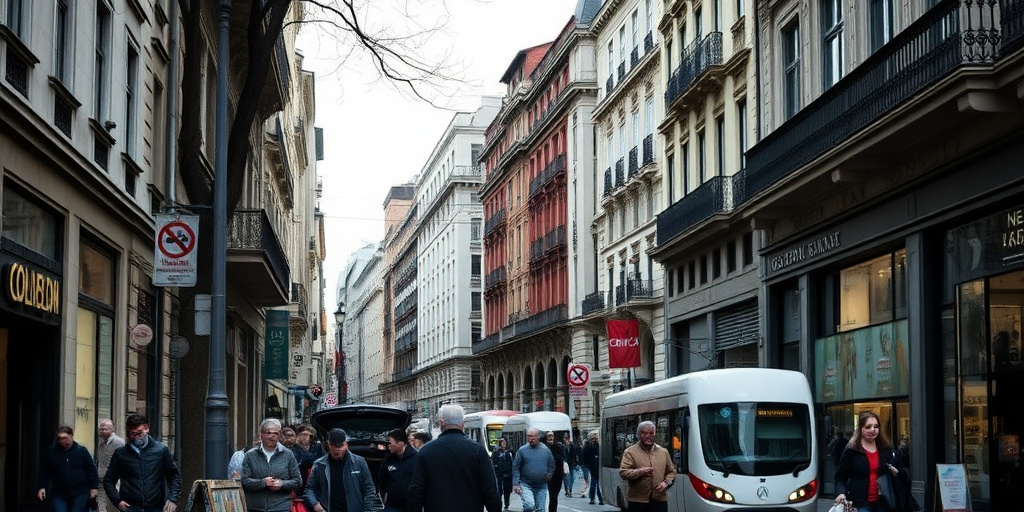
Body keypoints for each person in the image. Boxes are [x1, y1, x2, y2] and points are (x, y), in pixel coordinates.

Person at [407, 403, 501, 512]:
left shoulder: (426, 451)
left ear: (441, 424)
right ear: (463, 424)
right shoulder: (478, 450)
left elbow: (416, 490)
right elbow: (490, 490)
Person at [103, 414, 182, 512]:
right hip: (130, 507)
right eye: (133, 433)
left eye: (139, 433)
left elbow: (174, 476)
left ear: (147, 429)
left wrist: (173, 499)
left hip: (155, 507)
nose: (136, 437)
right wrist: (117, 501)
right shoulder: (121, 454)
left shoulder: (161, 450)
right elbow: (108, 481)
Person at [834, 411, 908, 512]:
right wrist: (841, 493)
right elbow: (840, 477)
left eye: (876, 426)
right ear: (861, 429)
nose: (873, 430)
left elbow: (902, 471)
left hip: (883, 501)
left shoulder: (885, 449)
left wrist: (898, 473)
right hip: (859, 503)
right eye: (868, 427)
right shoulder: (852, 450)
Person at [304, 428, 376, 512]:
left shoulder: (359, 462)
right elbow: (310, 489)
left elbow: (369, 488)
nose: (337, 449)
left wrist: (367, 510)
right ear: (329, 444)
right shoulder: (319, 465)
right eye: (334, 445)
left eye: (340, 445)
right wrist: (315, 504)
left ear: (346, 444)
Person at [241, 418, 303, 512]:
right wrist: (263, 482)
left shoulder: (288, 455)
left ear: (279, 436)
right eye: (268, 433)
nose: (272, 436)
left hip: (280, 507)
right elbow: (244, 481)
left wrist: (282, 484)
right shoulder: (250, 455)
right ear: (261, 434)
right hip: (255, 507)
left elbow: (298, 481)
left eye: (275, 433)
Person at [37, 426, 99, 512]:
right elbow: (46, 470)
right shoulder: (53, 452)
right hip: (59, 493)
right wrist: (42, 487)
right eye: (60, 438)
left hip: (80, 493)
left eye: (65, 438)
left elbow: (91, 469)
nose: (62, 441)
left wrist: (94, 487)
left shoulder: (81, 451)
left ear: (71, 436)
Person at [619, 421, 676, 512]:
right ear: (639, 434)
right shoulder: (630, 452)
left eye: (651, 433)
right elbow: (623, 473)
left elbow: (671, 471)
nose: (648, 436)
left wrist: (666, 482)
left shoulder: (663, 452)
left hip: (659, 500)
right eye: (644, 433)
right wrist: (639, 472)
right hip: (637, 501)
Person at [512, 428, 554, 512]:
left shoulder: (546, 450)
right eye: (529, 437)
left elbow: (551, 465)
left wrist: (550, 474)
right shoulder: (522, 450)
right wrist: (516, 483)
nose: (531, 439)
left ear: (538, 437)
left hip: (541, 485)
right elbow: (516, 467)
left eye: (533, 436)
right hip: (526, 484)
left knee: (541, 509)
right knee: (529, 506)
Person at [378, 428, 418, 512]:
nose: (388, 445)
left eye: (390, 442)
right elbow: (382, 479)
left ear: (400, 443)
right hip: (392, 505)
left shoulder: (416, 458)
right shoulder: (388, 458)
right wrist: (383, 495)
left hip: (411, 506)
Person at [95, 419, 125, 512]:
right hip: (100, 481)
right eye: (100, 429)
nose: (101, 431)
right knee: (101, 507)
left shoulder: (118, 442)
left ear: (112, 430)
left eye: (104, 429)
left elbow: (122, 462)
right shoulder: (101, 442)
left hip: (113, 482)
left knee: (113, 507)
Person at [491, 438, 514, 511]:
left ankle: (506, 505)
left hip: (508, 474)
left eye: (504, 442)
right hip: (499, 475)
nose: (503, 443)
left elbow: (513, 460)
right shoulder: (496, 452)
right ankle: (498, 505)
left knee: (507, 490)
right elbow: (493, 462)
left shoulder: (510, 451)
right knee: (499, 490)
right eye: (502, 442)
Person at [544, 431, 566, 512]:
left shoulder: (558, 447)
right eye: (549, 435)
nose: (551, 437)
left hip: (556, 474)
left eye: (552, 435)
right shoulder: (543, 447)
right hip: (545, 473)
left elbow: (562, 458)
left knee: (554, 496)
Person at [583, 431, 604, 505]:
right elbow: (585, 457)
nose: (595, 439)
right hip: (594, 467)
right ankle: (598, 498)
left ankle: (595, 498)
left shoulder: (591, 446)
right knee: (596, 483)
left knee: (596, 483)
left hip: (594, 467)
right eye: (594, 438)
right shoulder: (591, 446)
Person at [562, 433, 578, 497]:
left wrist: (575, 461)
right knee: (566, 478)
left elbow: (574, 454)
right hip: (565, 464)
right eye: (565, 438)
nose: (566, 439)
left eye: (567, 438)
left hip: (571, 464)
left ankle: (570, 490)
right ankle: (567, 490)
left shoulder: (572, 446)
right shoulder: (563, 446)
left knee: (572, 477)